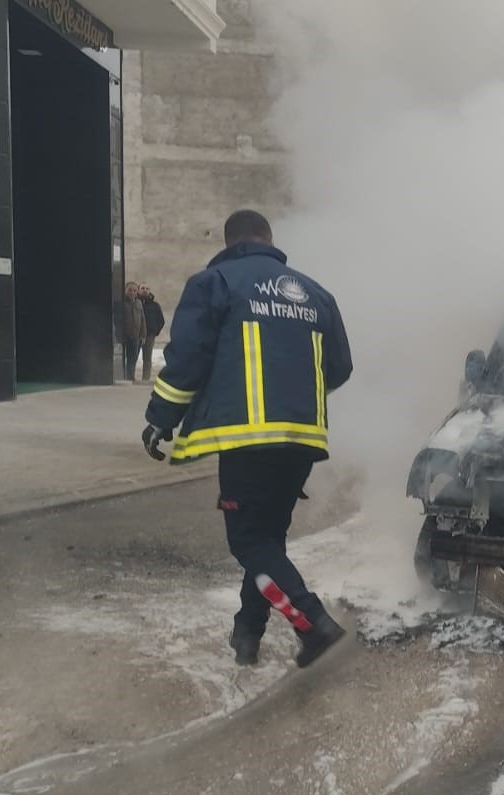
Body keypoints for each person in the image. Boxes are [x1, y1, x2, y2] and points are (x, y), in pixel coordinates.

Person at [142, 209, 353, 668]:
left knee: (250, 544)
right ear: (269, 239)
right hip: (301, 440)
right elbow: (340, 369)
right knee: (266, 540)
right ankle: (247, 635)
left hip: (247, 442)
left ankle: (312, 623)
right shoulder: (316, 293)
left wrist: (161, 416)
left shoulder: (213, 283)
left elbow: (188, 360)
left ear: (228, 240)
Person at [117, 282, 146, 382]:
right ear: (125, 290)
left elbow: (142, 320)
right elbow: (118, 320)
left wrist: (143, 335)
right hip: (124, 336)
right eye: (130, 290)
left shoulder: (139, 303)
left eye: (134, 290)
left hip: (135, 336)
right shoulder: (121, 303)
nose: (132, 292)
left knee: (133, 358)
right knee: (122, 358)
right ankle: (122, 376)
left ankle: (130, 377)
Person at [139, 284, 165, 383]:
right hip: (136, 335)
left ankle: (145, 379)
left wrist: (155, 332)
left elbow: (161, 320)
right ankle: (130, 377)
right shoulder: (136, 303)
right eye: (142, 288)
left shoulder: (155, 305)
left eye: (147, 289)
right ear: (139, 290)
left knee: (147, 358)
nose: (145, 290)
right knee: (132, 356)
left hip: (149, 335)